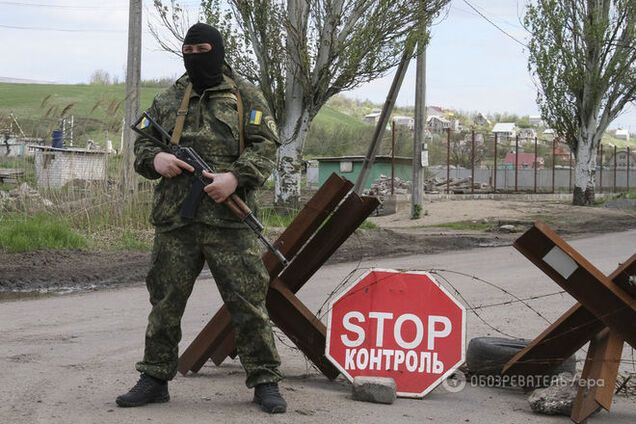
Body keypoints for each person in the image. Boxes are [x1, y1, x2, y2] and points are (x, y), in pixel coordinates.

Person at [116, 22, 287, 414]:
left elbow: (265, 147)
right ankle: (155, 377)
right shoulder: (170, 98)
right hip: (177, 220)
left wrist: (234, 178)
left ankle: (264, 379)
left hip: (230, 222)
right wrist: (155, 159)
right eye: (188, 52)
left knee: (248, 301)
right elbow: (144, 143)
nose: (194, 58)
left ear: (219, 51)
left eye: (202, 50)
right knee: (165, 301)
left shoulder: (245, 96)